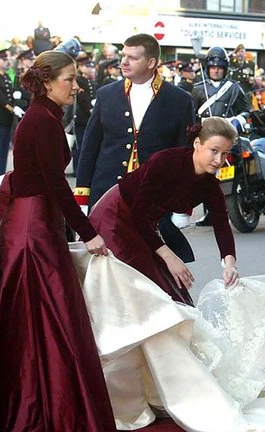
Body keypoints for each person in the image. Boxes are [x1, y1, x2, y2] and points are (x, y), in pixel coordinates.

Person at [0, 50, 115, 431]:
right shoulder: (43, 121)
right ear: (48, 82)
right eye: (70, 79)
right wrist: (89, 234)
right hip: (33, 234)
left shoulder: (43, 116)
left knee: (35, 323)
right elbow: (56, 185)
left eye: (75, 78)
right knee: (51, 321)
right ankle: (46, 411)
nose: (76, 85)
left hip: (29, 228)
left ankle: (35, 407)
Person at [89, 118, 238, 305]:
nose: (219, 160)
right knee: (139, 286)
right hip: (116, 215)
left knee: (170, 292)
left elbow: (221, 223)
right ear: (197, 144)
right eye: (214, 151)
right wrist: (170, 257)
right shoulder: (166, 161)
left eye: (225, 154)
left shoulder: (210, 185)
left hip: (146, 224)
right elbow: (139, 213)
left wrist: (229, 264)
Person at [75, 33, 195, 262]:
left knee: (149, 269)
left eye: (132, 57)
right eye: (123, 55)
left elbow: (184, 158)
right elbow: (89, 149)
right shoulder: (106, 94)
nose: (124, 62)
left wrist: (182, 206)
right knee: (107, 266)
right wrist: (83, 197)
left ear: (151, 63)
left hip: (155, 201)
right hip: (106, 196)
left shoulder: (179, 100)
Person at [191, 46, 249, 227]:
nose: (216, 70)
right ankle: (209, 212)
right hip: (208, 137)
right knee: (204, 175)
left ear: (225, 68)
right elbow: (192, 115)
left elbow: (246, 110)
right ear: (207, 68)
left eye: (220, 67)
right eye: (213, 67)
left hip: (229, 136)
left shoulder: (234, 88)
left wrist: (238, 121)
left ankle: (241, 201)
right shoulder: (198, 89)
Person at [0, 49, 24, 178]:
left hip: (7, 118)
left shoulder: (6, 77)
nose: (6, 62)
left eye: (6, 60)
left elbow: (10, 95)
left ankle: (1, 176)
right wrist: (12, 108)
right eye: (3, 60)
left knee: (4, 149)